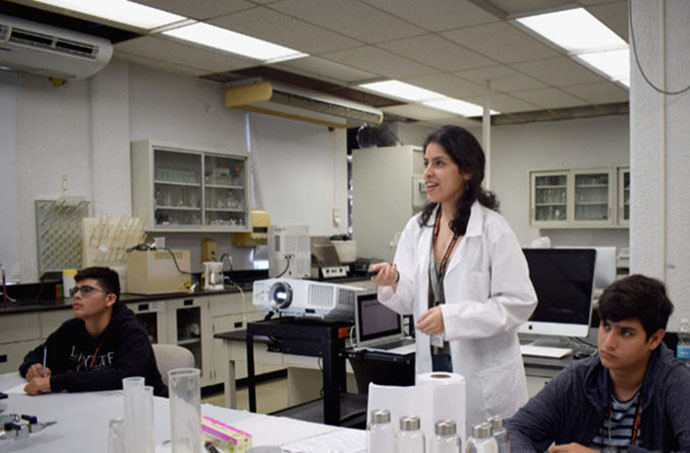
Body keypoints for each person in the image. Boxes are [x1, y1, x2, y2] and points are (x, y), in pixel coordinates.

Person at [370, 125, 537, 427]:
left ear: (467, 171)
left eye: (439, 163)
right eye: (426, 163)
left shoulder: (492, 229)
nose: (428, 173)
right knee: (439, 438)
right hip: (433, 361)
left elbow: (519, 302)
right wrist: (393, 283)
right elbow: (411, 302)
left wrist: (453, 318)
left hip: (482, 370)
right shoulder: (417, 229)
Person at [506, 274, 690, 452]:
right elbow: (518, 429)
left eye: (626, 333)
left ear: (655, 339)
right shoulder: (579, 376)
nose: (608, 342)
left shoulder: (676, 382)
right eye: (606, 326)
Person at [19, 266, 167, 396]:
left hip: (147, 408)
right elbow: (35, 355)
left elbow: (125, 377)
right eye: (75, 290)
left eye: (87, 290)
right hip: (92, 405)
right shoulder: (71, 329)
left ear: (109, 299)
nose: (77, 296)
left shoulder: (131, 332)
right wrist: (32, 368)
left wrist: (56, 382)